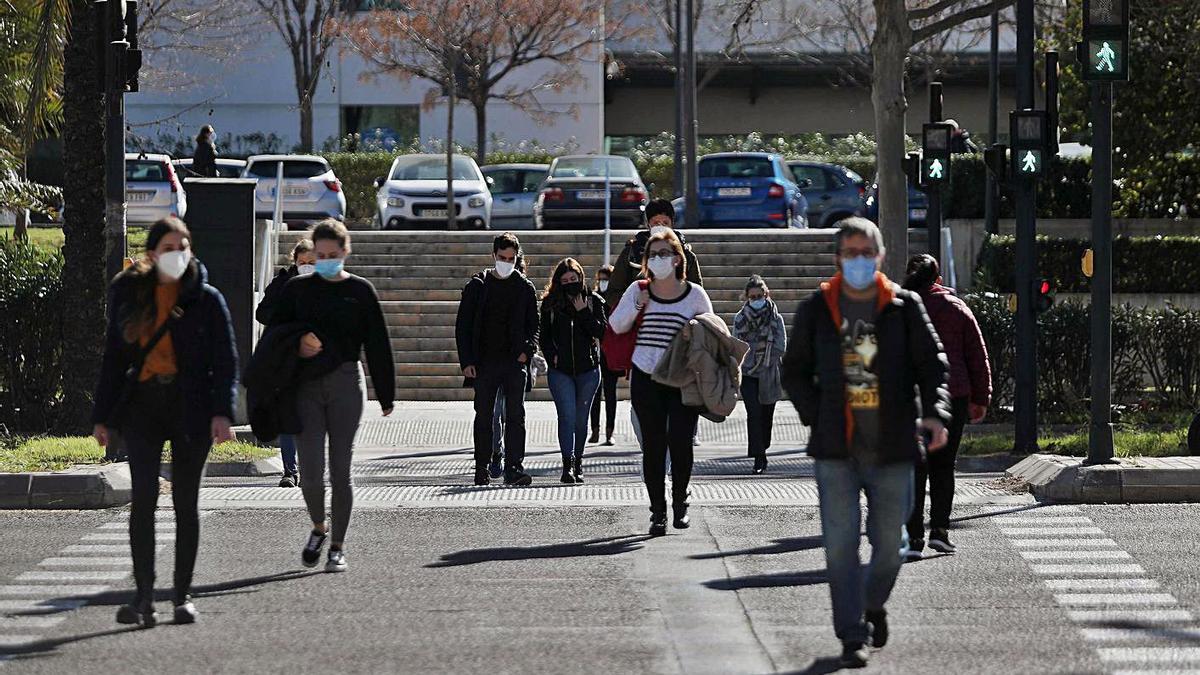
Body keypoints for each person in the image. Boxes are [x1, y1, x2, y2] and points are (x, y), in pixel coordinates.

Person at [781, 218, 950, 669]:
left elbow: (933, 365)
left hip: (893, 447)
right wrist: (814, 413)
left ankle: (873, 605)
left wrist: (935, 414)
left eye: (865, 252)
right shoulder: (819, 308)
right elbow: (793, 370)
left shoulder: (903, 306)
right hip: (837, 450)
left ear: (880, 256)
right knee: (839, 547)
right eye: (849, 252)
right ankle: (852, 634)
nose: (858, 259)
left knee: (890, 546)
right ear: (838, 258)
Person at [91, 216, 237, 627]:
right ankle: (143, 599)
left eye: (183, 246)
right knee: (144, 502)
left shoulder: (206, 299)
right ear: (152, 253)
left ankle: (182, 596)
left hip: (191, 407)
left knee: (185, 503)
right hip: (143, 406)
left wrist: (223, 412)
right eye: (169, 247)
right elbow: (114, 358)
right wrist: (102, 417)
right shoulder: (130, 294)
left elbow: (226, 361)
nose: (178, 254)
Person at [269, 220, 395, 574]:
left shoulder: (360, 291)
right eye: (319, 256)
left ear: (345, 252)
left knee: (340, 469)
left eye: (332, 255)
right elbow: (273, 329)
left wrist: (387, 394)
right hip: (305, 386)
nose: (324, 261)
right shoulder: (297, 289)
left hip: (345, 383)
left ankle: (337, 545)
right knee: (309, 472)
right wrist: (298, 341)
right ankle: (318, 527)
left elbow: (378, 344)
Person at [609, 230, 713, 537]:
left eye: (665, 253)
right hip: (646, 376)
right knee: (653, 447)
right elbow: (616, 325)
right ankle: (658, 511)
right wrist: (637, 305)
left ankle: (680, 500)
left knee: (681, 444)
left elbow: (712, 332)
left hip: (682, 379)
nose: (658, 259)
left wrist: (693, 329)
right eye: (653, 255)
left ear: (678, 258)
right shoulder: (638, 289)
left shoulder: (694, 294)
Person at [902, 254, 991, 558]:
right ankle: (939, 531)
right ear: (938, 279)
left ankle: (913, 538)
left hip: (911, 399)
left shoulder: (898, 308)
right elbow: (977, 357)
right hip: (953, 396)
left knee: (914, 467)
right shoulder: (957, 308)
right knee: (943, 466)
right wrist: (981, 398)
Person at [455, 232, 539, 487]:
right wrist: (467, 361)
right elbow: (463, 326)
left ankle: (514, 467)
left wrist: (527, 350)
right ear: (493, 256)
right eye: (502, 257)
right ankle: (482, 467)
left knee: (516, 416)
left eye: (511, 258)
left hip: (514, 363)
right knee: (484, 416)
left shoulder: (524, 287)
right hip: (484, 363)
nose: (506, 262)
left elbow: (534, 325)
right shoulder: (478, 286)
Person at [255, 238, 316, 488]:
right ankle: (290, 471)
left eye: (312, 262)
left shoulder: (326, 285)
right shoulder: (281, 284)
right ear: (295, 262)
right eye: (302, 262)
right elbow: (262, 312)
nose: (307, 266)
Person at [541, 258, 607, 483]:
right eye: (565, 280)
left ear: (581, 278)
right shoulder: (550, 304)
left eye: (574, 279)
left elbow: (601, 331)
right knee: (566, 416)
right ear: (558, 282)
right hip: (561, 371)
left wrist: (582, 312)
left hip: (588, 370)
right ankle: (566, 465)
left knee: (581, 419)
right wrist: (552, 357)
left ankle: (579, 462)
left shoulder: (593, 301)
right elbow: (544, 337)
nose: (570, 283)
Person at [733, 275, 787, 475]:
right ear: (746, 297)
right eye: (753, 296)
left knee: (767, 415)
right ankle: (758, 456)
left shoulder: (775, 318)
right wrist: (751, 359)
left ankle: (763, 446)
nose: (756, 299)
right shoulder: (740, 319)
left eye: (760, 295)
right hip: (748, 374)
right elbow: (737, 344)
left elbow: (781, 345)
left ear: (766, 295)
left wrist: (765, 358)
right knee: (754, 414)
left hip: (769, 372)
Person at [590, 265, 620, 446]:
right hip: (596, 352)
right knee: (594, 394)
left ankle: (610, 431)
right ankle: (594, 430)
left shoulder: (616, 301)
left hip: (610, 353)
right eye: (600, 279)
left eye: (606, 279)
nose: (603, 283)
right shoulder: (594, 300)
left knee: (610, 393)